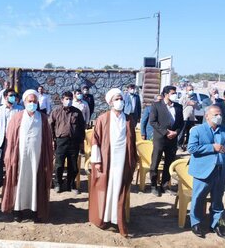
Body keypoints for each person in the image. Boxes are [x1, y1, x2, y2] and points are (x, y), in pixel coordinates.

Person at [88, 88, 137, 237]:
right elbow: (95, 140)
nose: (119, 102)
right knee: (106, 187)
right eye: (116, 99)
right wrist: (96, 161)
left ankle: (117, 219)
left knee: (119, 188)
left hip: (122, 159)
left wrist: (133, 158)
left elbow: (132, 141)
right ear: (110, 102)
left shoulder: (128, 119)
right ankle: (103, 218)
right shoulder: (103, 119)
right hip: (106, 159)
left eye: (121, 99)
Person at [1, 89, 54, 223]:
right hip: (20, 158)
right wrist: (10, 156)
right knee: (19, 181)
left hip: (37, 158)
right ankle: (18, 210)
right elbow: (11, 139)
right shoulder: (17, 117)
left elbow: (48, 140)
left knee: (36, 182)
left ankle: (35, 210)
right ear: (24, 102)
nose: (32, 104)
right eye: (29, 101)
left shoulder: (42, 118)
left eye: (34, 101)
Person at [187, 105, 225, 239]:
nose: (218, 117)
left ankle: (215, 224)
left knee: (217, 199)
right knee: (198, 198)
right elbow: (191, 148)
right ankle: (195, 223)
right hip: (203, 171)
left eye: (220, 114)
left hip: (221, 171)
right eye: (215, 114)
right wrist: (212, 147)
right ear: (207, 116)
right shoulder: (197, 130)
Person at [149, 85, 184, 196]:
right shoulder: (156, 105)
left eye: (175, 93)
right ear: (165, 94)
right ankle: (153, 185)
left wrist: (176, 132)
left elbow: (181, 123)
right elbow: (153, 122)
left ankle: (165, 185)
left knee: (169, 163)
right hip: (160, 139)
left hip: (172, 140)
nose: (174, 95)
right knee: (155, 162)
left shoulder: (178, 107)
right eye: (172, 93)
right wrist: (166, 132)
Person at [49, 91, 85, 194]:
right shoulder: (56, 112)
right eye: (66, 99)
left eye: (70, 99)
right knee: (59, 164)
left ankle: (71, 185)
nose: (68, 101)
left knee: (73, 165)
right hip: (60, 141)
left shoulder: (77, 112)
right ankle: (58, 184)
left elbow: (82, 128)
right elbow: (50, 126)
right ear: (62, 100)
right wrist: (52, 140)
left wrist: (81, 142)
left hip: (74, 141)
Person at [0, 88, 24, 188]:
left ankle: (13, 180)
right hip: (3, 139)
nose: (13, 97)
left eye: (14, 95)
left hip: (15, 140)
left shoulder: (20, 109)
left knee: (14, 160)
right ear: (5, 97)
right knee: (0, 160)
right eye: (11, 95)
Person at [178, 85, 199, 151]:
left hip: (192, 118)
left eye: (192, 89)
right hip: (184, 117)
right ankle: (179, 145)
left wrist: (195, 104)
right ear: (186, 91)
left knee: (190, 133)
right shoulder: (183, 98)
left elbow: (198, 108)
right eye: (189, 90)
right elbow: (180, 106)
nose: (191, 91)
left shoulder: (195, 98)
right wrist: (187, 103)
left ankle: (187, 145)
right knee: (182, 132)